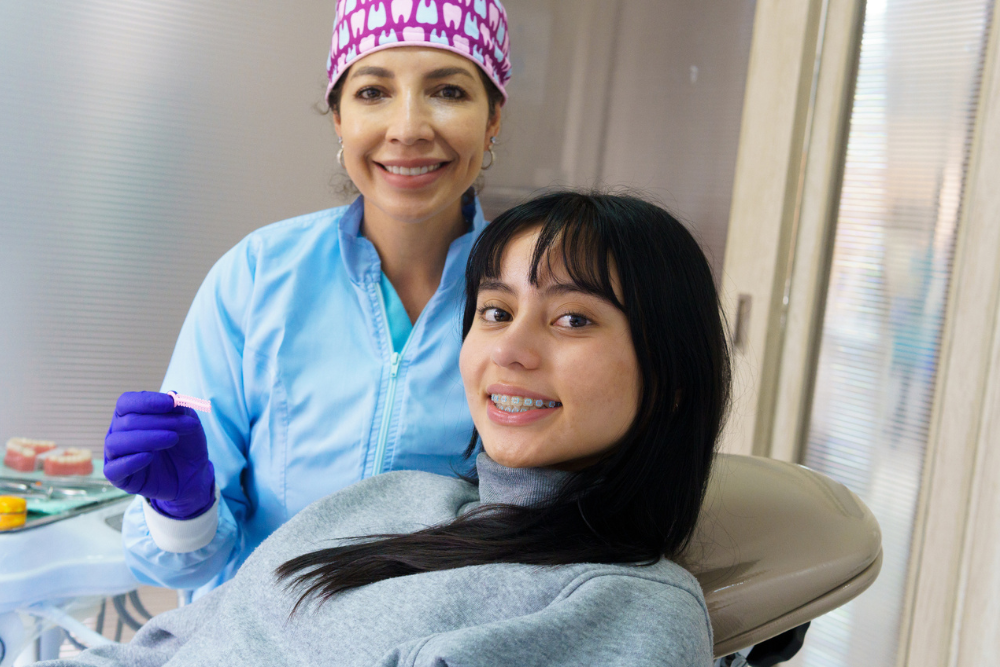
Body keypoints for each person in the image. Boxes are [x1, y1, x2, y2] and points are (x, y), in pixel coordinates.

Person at [50, 191, 731, 666]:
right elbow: (167, 644)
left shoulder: (626, 607)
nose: (510, 350)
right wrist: (183, 509)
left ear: (670, 375)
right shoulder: (386, 501)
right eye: (494, 311)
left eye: (573, 319)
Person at [102, 2, 513, 594]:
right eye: (373, 93)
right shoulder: (257, 276)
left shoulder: (530, 297)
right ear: (338, 117)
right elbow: (187, 566)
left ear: (494, 116)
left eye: (447, 90)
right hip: (253, 641)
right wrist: (181, 509)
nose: (408, 128)